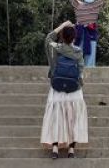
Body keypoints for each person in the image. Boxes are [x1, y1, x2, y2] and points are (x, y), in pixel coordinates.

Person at [41, 19, 87, 159]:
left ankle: (55, 148)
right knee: (74, 119)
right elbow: (80, 70)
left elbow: (48, 38)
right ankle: (71, 150)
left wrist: (62, 25)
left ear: (62, 36)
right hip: (74, 90)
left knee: (56, 118)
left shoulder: (54, 48)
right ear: (74, 37)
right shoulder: (78, 52)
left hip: (57, 89)